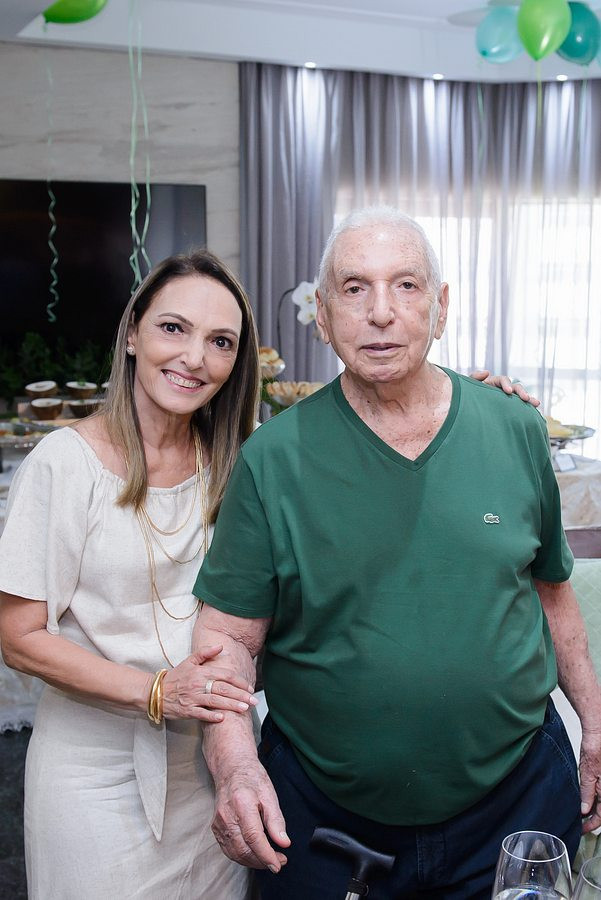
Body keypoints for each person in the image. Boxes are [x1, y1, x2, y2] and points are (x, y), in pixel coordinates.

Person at [191, 208, 601, 900]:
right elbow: (226, 641)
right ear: (323, 317)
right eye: (354, 289)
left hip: (515, 801)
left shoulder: (514, 427)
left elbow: (551, 591)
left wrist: (594, 722)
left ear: (440, 307)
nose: (380, 312)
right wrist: (235, 767)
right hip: (322, 819)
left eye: (405, 285)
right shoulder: (272, 459)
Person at [0, 250, 262, 900]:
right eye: (174, 328)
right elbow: (18, 637)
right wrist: (156, 691)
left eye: (220, 342)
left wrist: (472, 398)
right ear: (132, 335)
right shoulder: (65, 463)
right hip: (93, 776)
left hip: (210, 767)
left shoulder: (238, 461)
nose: (195, 358)